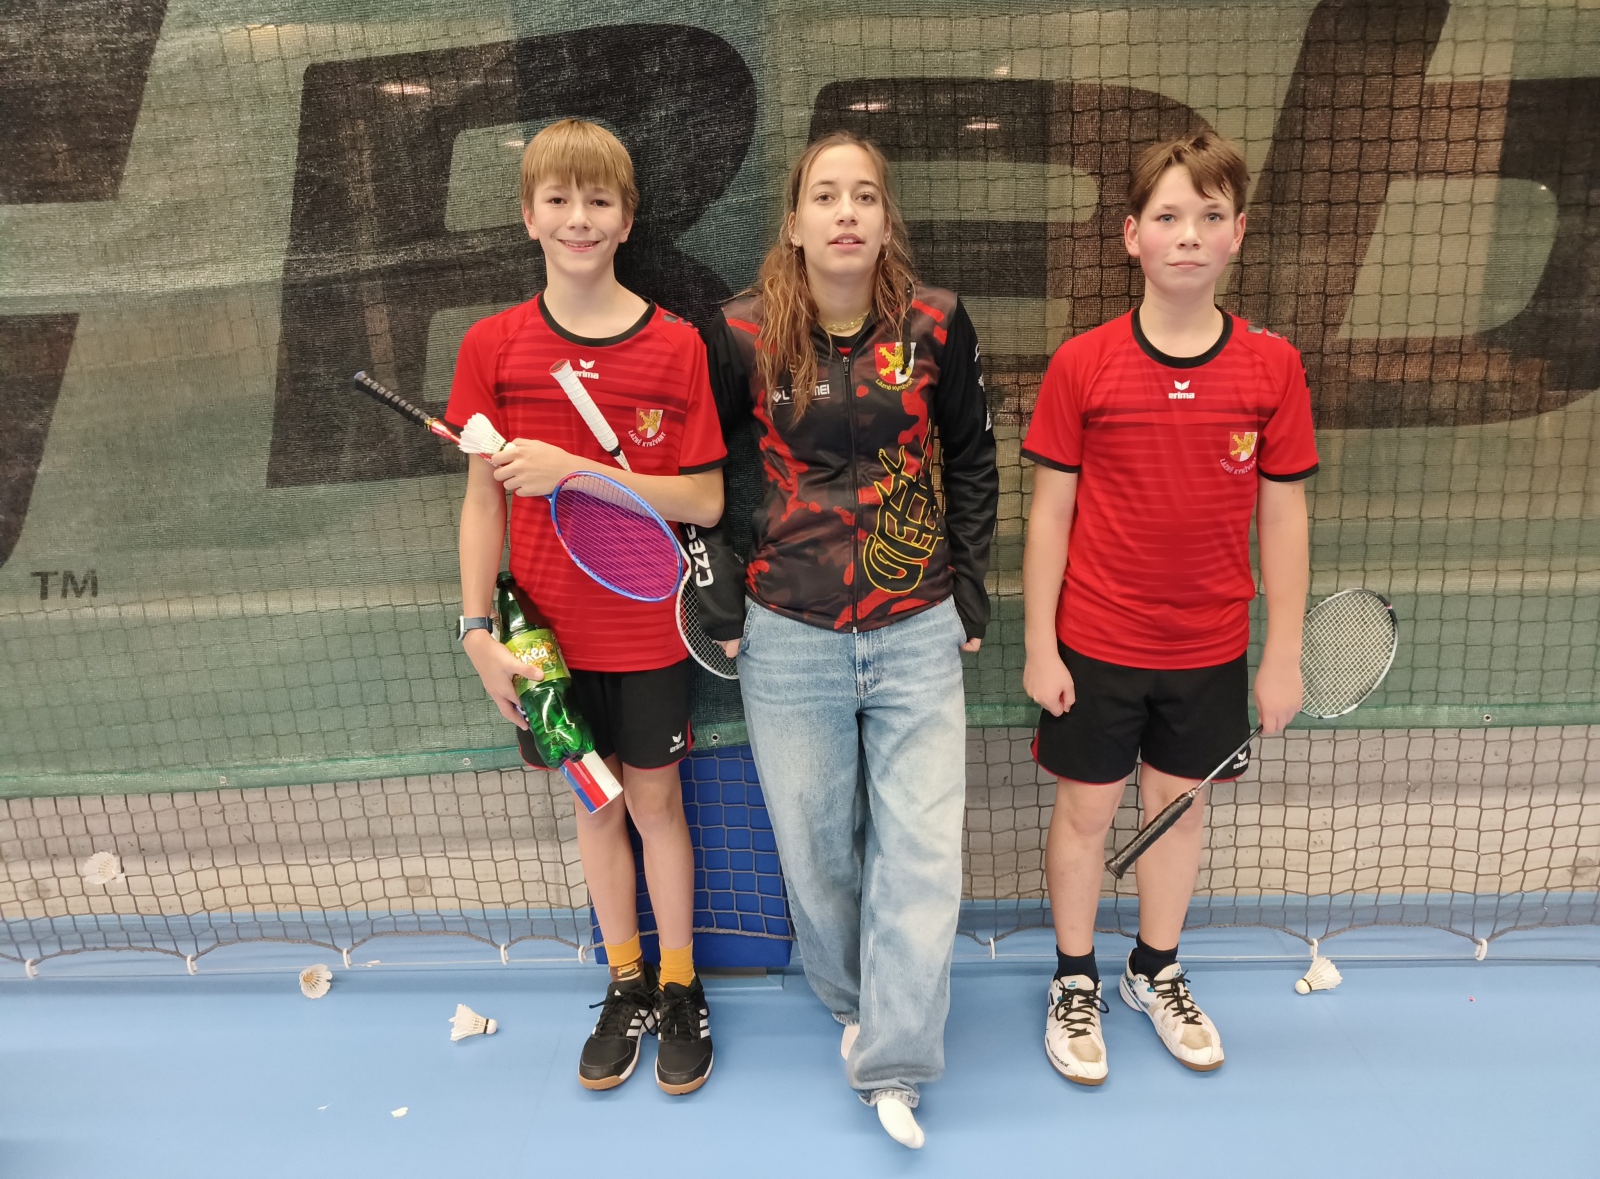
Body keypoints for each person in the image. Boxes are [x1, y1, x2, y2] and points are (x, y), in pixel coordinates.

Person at [698, 131, 998, 1148]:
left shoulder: (935, 324)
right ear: (794, 222)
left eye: (865, 195)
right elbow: (706, 478)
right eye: (826, 195)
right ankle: (851, 1004)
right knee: (818, 852)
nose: (846, 212)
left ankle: (894, 1061)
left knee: (923, 852)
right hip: (789, 634)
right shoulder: (740, 333)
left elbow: (972, 458)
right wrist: (724, 599)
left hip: (915, 627)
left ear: (883, 219)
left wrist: (967, 592)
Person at [1021, 130, 1318, 1084]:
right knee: (1086, 813)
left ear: (1239, 233)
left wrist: (1282, 656)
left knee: (1178, 814)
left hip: (1209, 650)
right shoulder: (1084, 364)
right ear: (1131, 235)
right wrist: (1040, 645)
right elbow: (1049, 514)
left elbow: (1284, 516)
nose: (1188, 234)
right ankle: (1075, 979)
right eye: (1168, 216)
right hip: (1096, 643)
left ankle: (1155, 969)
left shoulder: (1272, 367)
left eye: (1209, 215)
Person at [448, 118, 726, 1095]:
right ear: (528, 217)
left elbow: (705, 500)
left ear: (627, 220)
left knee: (655, 804)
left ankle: (681, 985)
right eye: (558, 200)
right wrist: (477, 634)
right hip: (544, 650)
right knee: (596, 809)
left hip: (649, 635)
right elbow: (482, 501)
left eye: (598, 200)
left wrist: (578, 471)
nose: (578, 217)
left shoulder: (676, 345)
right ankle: (626, 983)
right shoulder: (492, 347)